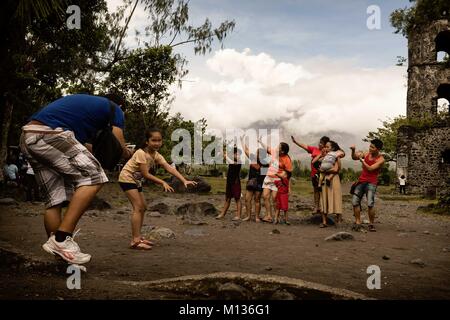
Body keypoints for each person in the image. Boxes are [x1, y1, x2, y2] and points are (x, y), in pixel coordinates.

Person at [19, 93, 133, 264]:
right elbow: (118, 139)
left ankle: (63, 257)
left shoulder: (81, 111)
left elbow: (80, 147)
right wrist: (126, 152)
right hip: (49, 135)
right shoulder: (115, 108)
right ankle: (61, 238)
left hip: (29, 137)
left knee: (55, 199)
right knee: (95, 177)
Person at [118, 128, 197, 250]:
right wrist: (162, 182)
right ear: (147, 142)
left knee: (143, 207)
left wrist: (184, 180)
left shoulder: (156, 155)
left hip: (136, 181)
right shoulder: (141, 153)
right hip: (127, 178)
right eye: (153, 140)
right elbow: (145, 174)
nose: (157, 143)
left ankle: (138, 236)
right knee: (138, 207)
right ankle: (135, 240)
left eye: (159, 140)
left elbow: (169, 168)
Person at [350, 139, 385, 232]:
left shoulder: (381, 159)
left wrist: (362, 161)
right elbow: (354, 157)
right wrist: (353, 150)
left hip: (371, 183)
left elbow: (370, 169)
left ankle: (371, 224)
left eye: (372, 147)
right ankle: (358, 222)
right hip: (361, 181)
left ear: (378, 149)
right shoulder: (366, 154)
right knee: (355, 201)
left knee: (370, 203)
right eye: (370, 146)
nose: (370, 148)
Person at [291, 136, 330, 214]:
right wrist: (295, 142)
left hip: (323, 174)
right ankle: (316, 207)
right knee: (315, 190)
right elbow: (304, 146)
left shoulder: (327, 152)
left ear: (325, 145)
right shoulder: (314, 149)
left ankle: (324, 207)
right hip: (314, 174)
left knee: (323, 191)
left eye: (321, 143)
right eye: (320, 142)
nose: (319, 144)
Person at [259, 139, 292, 223]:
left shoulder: (287, 159)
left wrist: (289, 188)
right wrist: (260, 141)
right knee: (265, 196)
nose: (276, 147)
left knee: (274, 198)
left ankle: (277, 217)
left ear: (282, 151)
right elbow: (267, 148)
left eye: (278, 147)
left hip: (277, 180)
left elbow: (288, 175)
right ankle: (269, 216)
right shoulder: (274, 152)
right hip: (268, 177)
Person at [240, 136, 269, 222]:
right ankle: (248, 216)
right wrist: (242, 141)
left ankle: (256, 217)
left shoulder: (265, 164)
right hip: (251, 183)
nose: (256, 154)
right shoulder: (253, 158)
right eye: (257, 153)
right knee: (247, 199)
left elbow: (264, 176)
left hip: (259, 184)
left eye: (258, 153)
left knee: (257, 200)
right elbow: (246, 150)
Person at [319, 141, 344, 228]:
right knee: (324, 198)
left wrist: (324, 171)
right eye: (325, 147)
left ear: (333, 148)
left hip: (334, 179)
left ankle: (338, 220)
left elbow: (336, 169)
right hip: (325, 179)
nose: (325, 148)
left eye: (327, 147)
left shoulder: (336, 156)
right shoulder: (325, 157)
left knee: (336, 197)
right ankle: (324, 221)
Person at [216, 146, 242, 220]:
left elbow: (231, 162)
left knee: (237, 199)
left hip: (235, 183)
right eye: (236, 154)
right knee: (227, 198)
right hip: (229, 182)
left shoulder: (238, 161)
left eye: (239, 154)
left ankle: (238, 216)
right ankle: (222, 214)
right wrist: (223, 153)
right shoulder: (231, 160)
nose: (238, 156)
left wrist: (225, 155)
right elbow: (228, 159)